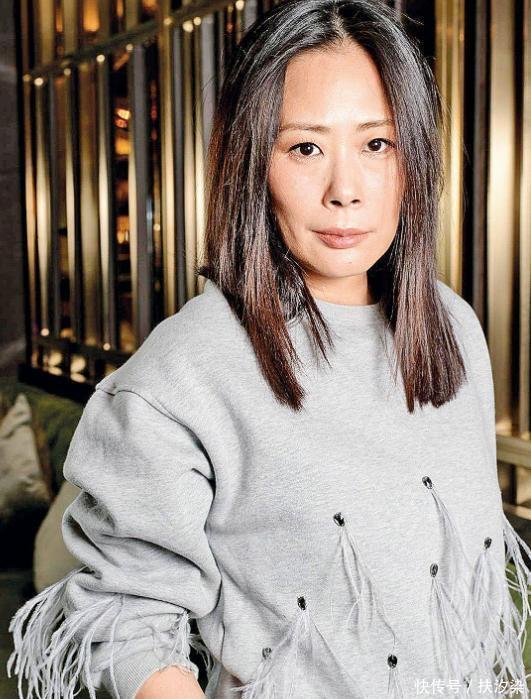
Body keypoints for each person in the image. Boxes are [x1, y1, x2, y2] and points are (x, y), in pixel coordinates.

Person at [7, 0, 531, 697]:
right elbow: (128, 620)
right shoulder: (185, 369)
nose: (345, 191)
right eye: (305, 148)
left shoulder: (453, 326)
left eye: (377, 144)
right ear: (252, 160)